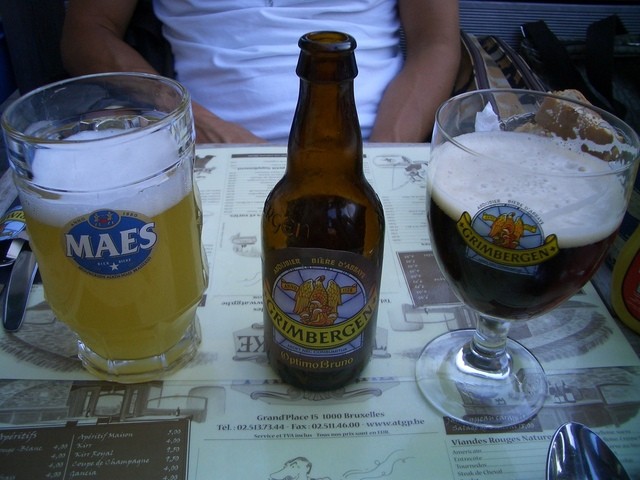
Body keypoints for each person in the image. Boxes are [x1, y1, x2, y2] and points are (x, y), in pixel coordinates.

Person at [61, 0, 460, 144]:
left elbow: (435, 41)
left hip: (377, 137)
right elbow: (87, 31)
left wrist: (384, 154)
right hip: (200, 146)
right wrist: (192, 124)